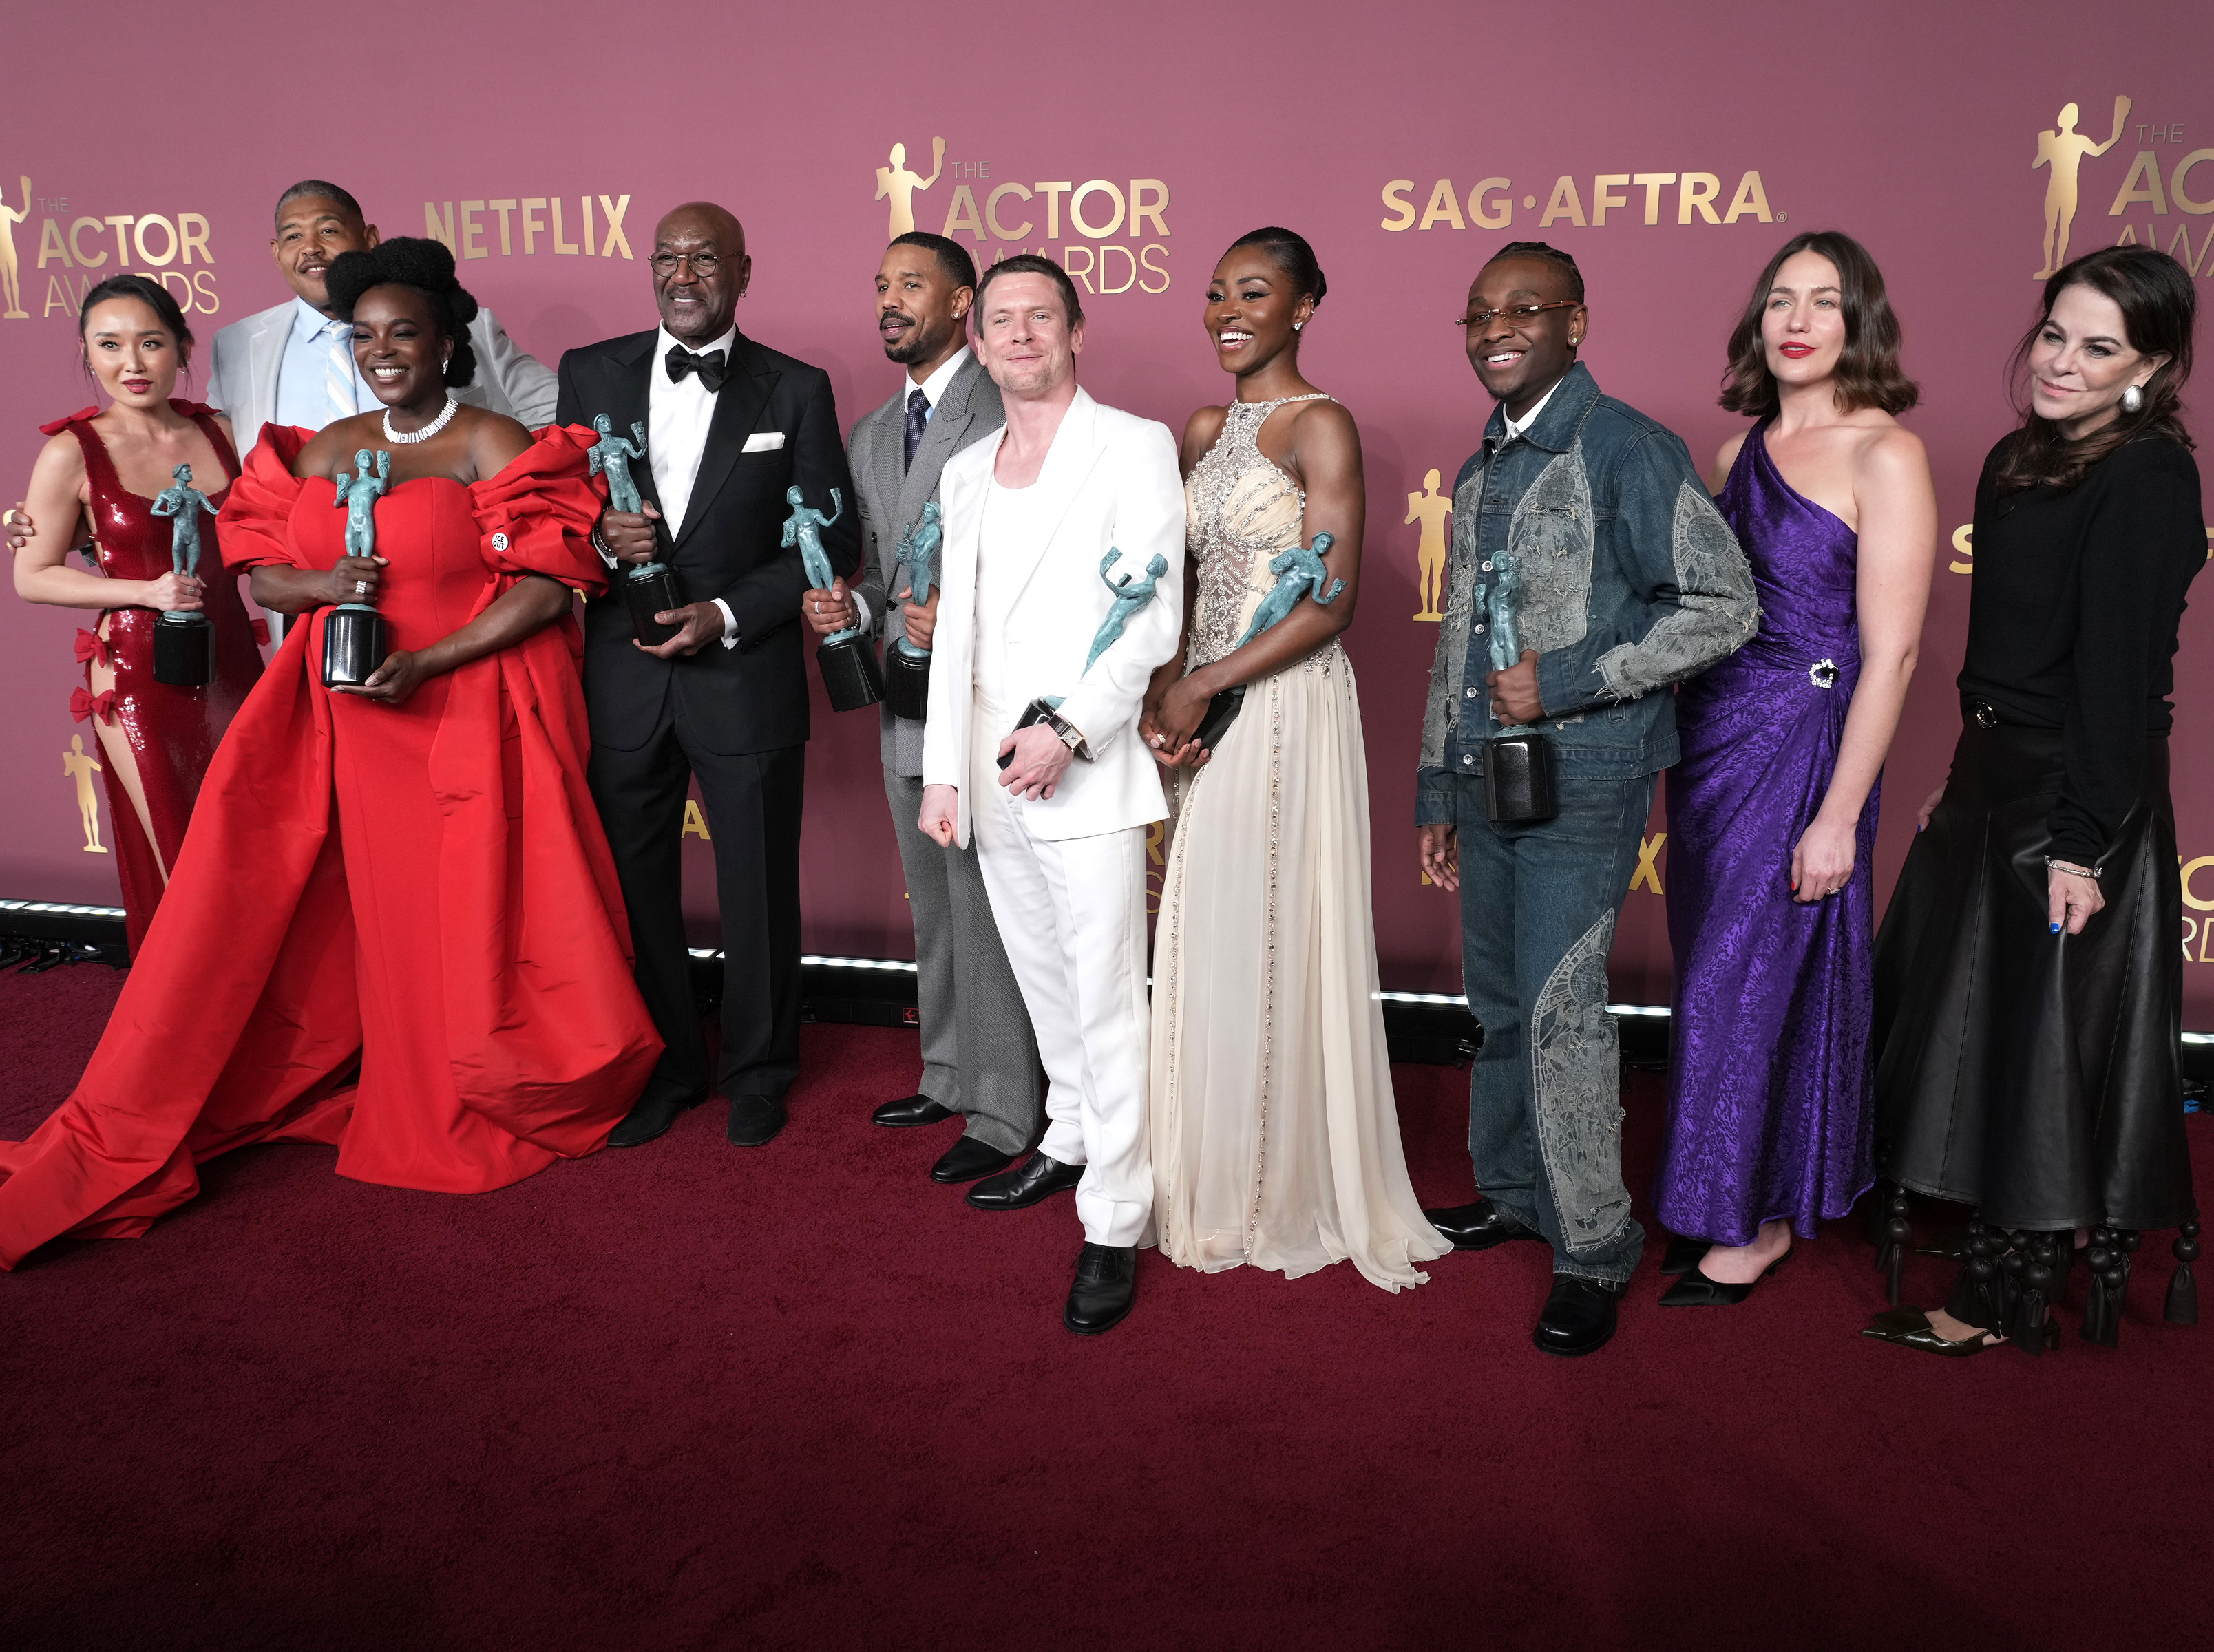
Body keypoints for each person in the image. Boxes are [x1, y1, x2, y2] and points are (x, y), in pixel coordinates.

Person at [0, 239, 659, 1271]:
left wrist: (432, 657)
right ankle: (401, 1087)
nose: (384, 351)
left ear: (448, 340)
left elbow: (548, 585)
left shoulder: (493, 440)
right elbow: (264, 578)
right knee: (388, 913)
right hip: (356, 714)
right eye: (366, 337)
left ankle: (478, 1083)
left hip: (464, 704)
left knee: (473, 904)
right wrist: (327, 587)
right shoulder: (316, 446)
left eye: (406, 333)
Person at [1415, 241, 1758, 1357]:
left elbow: (1722, 603)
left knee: (1562, 1008)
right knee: (1504, 1002)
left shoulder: (1624, 446)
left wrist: (1566, 679)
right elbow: (1461, 643)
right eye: (1478, 313)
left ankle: (1594, 1246)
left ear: (1577, 323)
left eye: (1524, 309)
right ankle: (1516, 1191)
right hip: (1487, 777)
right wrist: (1438, 778)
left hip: (1589, 776)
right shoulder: (1478, 472)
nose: (1495, 329)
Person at [1864, 244, 2203, 1357]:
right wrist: (1959, 787)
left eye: (2098, 347)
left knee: (2040, 1042)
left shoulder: (2147, 477)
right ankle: (1986, 1259)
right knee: (1978, 1025)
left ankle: (2002, 1301)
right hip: (1991, 779)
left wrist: (2079, 845)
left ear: (2149, 364)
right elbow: (2000, 657)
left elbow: (2120, 680)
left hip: (2075, 793)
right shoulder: (2019, 458)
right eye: (2054, 333)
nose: (2061, 361)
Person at [1137, 229, 1448, 1290]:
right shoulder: (1204, 426)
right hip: (1199, 710)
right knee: (1200, 927)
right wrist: (1164, 694)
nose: (1229, 310)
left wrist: (1208, 682)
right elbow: (1187, 585)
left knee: (1266, 929)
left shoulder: (1324, 425)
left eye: (1256, 292)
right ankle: (1196, 1173)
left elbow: (1334, 601)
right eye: (1218, 292)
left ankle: (1270, 1187)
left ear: (1306, 305)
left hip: (1279, 710)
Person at [1652, 232, 1936, 1306]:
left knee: (1764, 977)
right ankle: (1717, 1193)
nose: (1799, 319)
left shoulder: (1886, 453)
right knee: (1713, 981)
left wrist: (1840, 814)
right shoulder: (1738, 455)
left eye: (1825, 300)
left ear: (1858, 322)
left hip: (1808, 751)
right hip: (1715, 740)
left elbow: (1893, 652)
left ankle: (1760, 1216)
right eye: (1781, 299)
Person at [556, 202, 861, 1152]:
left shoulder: (795, 388)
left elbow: (836, 534)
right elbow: (554, 512)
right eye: (668, 259)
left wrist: (726, 614)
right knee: (636, 886)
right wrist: (598, 537)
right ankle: (670, 1066)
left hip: (743, 671)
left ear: (744, 271)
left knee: (758, 883)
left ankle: (761, 1070)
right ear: (650, 270)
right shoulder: (588, 372)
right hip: (626, 677)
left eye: (706, 259)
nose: (684, 276)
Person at [918, 255, 1185, 1335]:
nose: (1020, 335)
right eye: (1000, 321)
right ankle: (1068, 1138)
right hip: (987, 774)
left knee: (1110, 998)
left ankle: (1114, 1217)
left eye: (1041, 317)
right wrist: (945, 770)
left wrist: (1069, 732)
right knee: (1044, 985)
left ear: (1077, 331)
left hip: (1083, 771)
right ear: (975, 342)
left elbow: (1153, 619)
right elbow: (955, 643)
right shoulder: (967, 467)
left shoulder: (1134, 445)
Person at [4, 183, 560, 620]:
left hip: (452, 587)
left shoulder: (466, 325)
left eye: (328, 230)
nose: (311, 248)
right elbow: (217, 476)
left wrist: (507, 505)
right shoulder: (240, 345)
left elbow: (554, 417)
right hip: (304, 595)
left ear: (368, 238)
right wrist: (76, 522)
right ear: (275, 253)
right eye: (293, 236)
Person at [804, 232, 1042, 1187]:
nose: (889, 300)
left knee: (988, 909)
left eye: (912, 284)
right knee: (937, 905)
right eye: (880, 284)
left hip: (988, 707)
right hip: (904, 704)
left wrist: (963, 618)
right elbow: (878, 574)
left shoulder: (1007, 407)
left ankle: (1005, 1105)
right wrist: (844, 607)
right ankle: (947, 1073)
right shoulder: (869, 432)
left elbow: (1039, 559)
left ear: (961, 305)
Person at [9, 275, 264, 954]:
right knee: (186, 859)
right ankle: (194, 1029)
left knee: (250, 845)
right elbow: (32, 575)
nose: (131, 362)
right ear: (87, 356)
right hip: (135, 675)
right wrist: (142, 592)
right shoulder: (72, 451)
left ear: (182, 348)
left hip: (234, 663)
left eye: (150, 343)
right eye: (110, 345)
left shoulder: (224, 432)